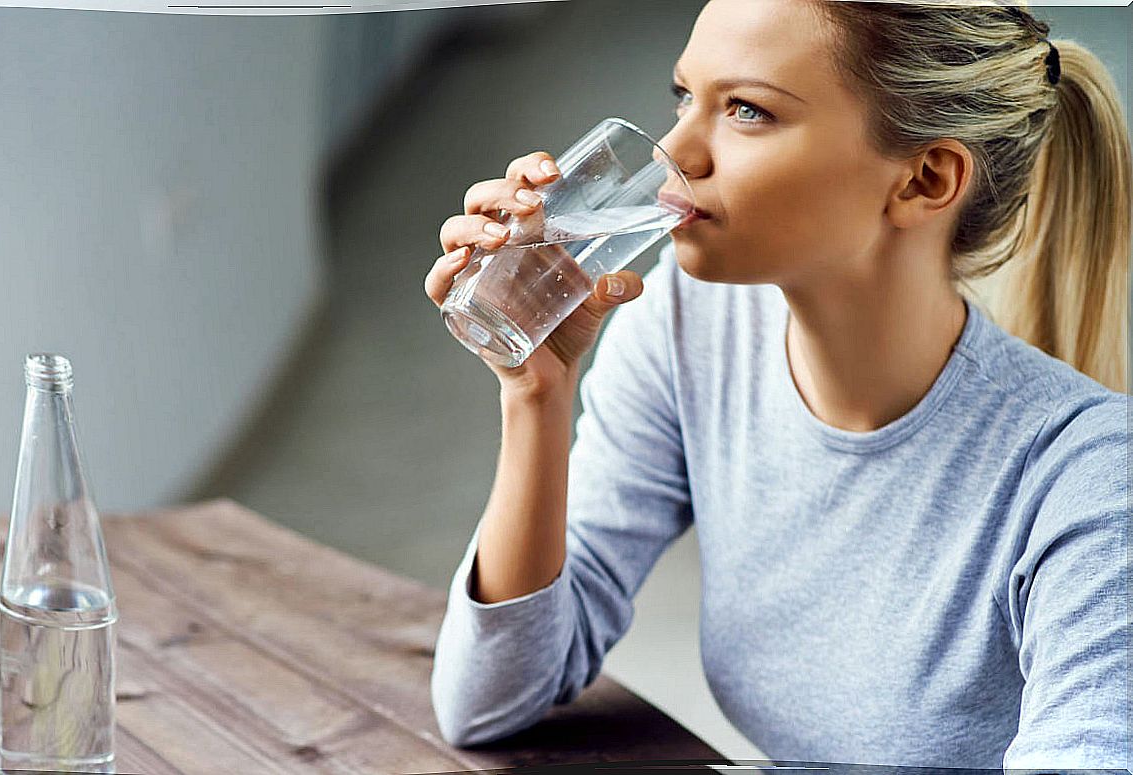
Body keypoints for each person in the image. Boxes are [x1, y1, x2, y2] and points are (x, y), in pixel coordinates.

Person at [422, 0, 1131, 768]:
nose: (675, 151)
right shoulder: (689, 324)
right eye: (683, 97)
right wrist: (535, 394)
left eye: (748, 111)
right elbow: (487, 701)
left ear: (926, 179)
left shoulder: (1089, 474)